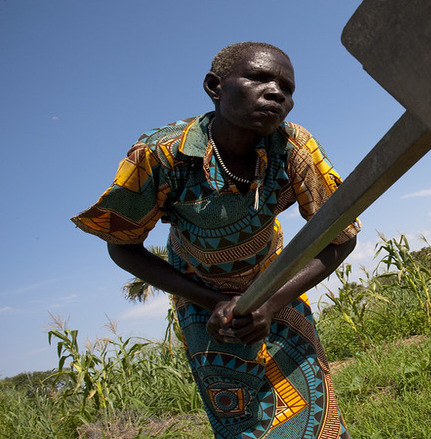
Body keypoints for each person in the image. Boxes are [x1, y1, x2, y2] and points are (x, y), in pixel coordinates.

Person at [71, 41, 359, 439]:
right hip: (203, 303)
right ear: (214, 87)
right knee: (241, 417)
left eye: (287, 88)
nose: (276, 92)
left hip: (278, 288)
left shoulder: (293, 146)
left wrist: (270, 304)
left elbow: (341, 239)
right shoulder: (162, 154)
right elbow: (122, 245)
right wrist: (216, 304)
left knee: (315, 409)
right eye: (259, 78)